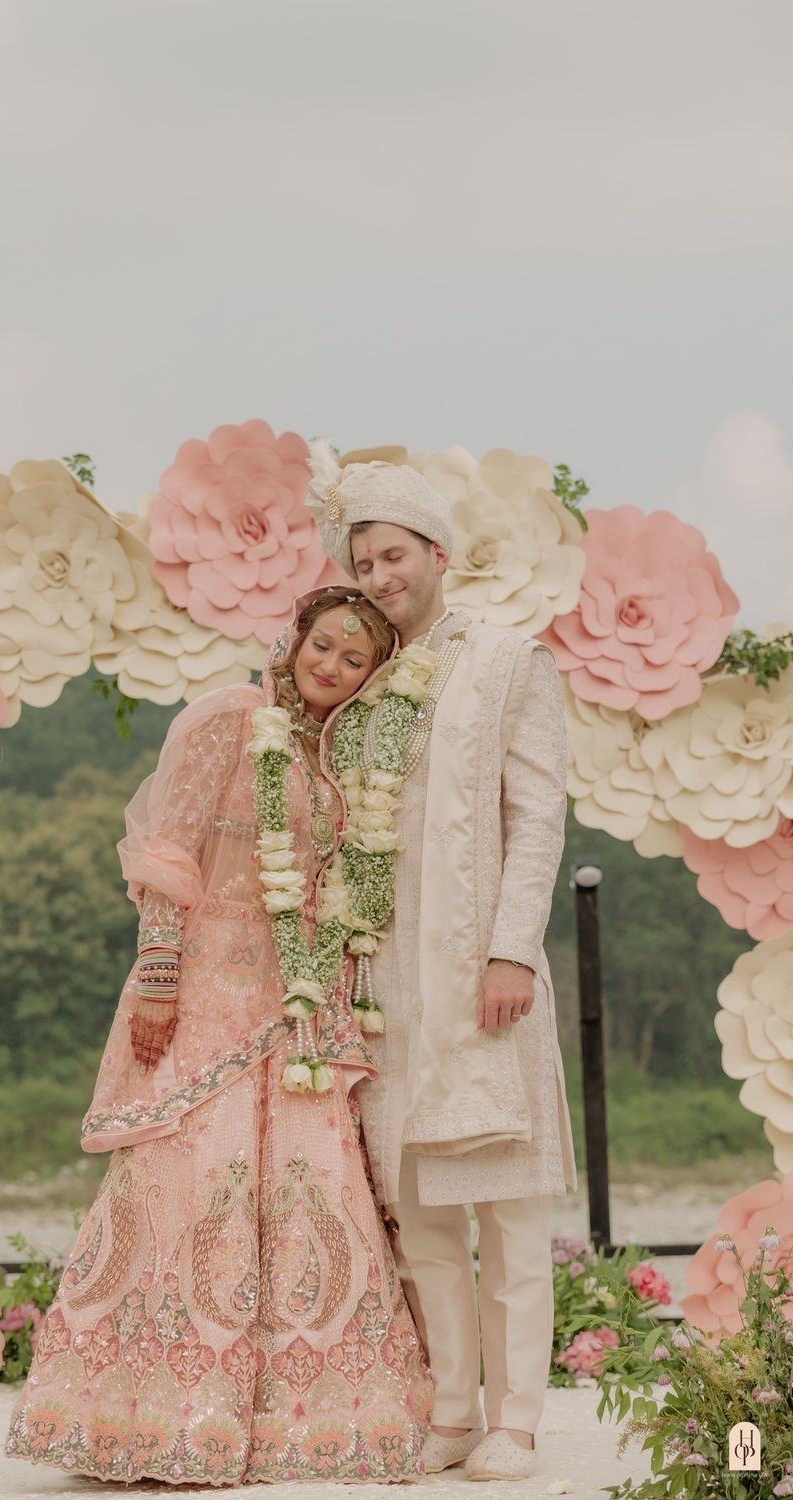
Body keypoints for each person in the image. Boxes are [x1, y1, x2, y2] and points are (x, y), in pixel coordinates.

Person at [5, 583, 434, 1487]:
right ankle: (153, 1419)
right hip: (207, 994)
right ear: (294, 640)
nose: (332, 666)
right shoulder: (230, 718)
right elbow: (170, 846)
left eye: (354, 659)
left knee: (311, 1187)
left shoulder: (333, 757)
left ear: (369, 678)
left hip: (296, 1009)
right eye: (323, 645)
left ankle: (308, 1424)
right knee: (190, 1179)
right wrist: (160, 971)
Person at [308, 455, 577, 1483]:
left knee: (507, 1207)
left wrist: (512, 949)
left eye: (393, 556)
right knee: (417, 1211)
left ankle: (517, 1420)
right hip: (386, 984)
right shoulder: (360, 678)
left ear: (437, 554)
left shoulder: (509, 660)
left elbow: (536, 817)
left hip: (480, 977)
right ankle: (454, 1411)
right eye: (362, 563)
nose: (378, 577)